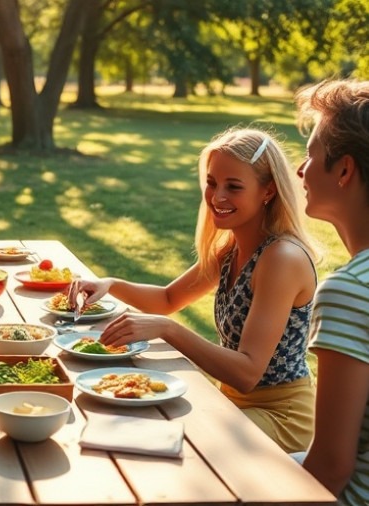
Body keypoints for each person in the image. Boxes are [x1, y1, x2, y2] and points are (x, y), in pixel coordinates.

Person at [69, 127, 318, 452]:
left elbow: (247, 373)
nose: (217, 197)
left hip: (281, 416)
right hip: (232, 404)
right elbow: (169, 298)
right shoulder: (231, 250)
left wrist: (168, 329)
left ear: (267, 191)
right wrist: (110, 285)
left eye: (234, 187)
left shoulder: (282, 258)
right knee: (129, 422)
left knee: (165, 441)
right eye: (212, 183)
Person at [295, 79, 369, 505]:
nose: (301, 171)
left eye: (311, 155)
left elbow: (331, 468)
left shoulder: (350, 290)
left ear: (344, 170)